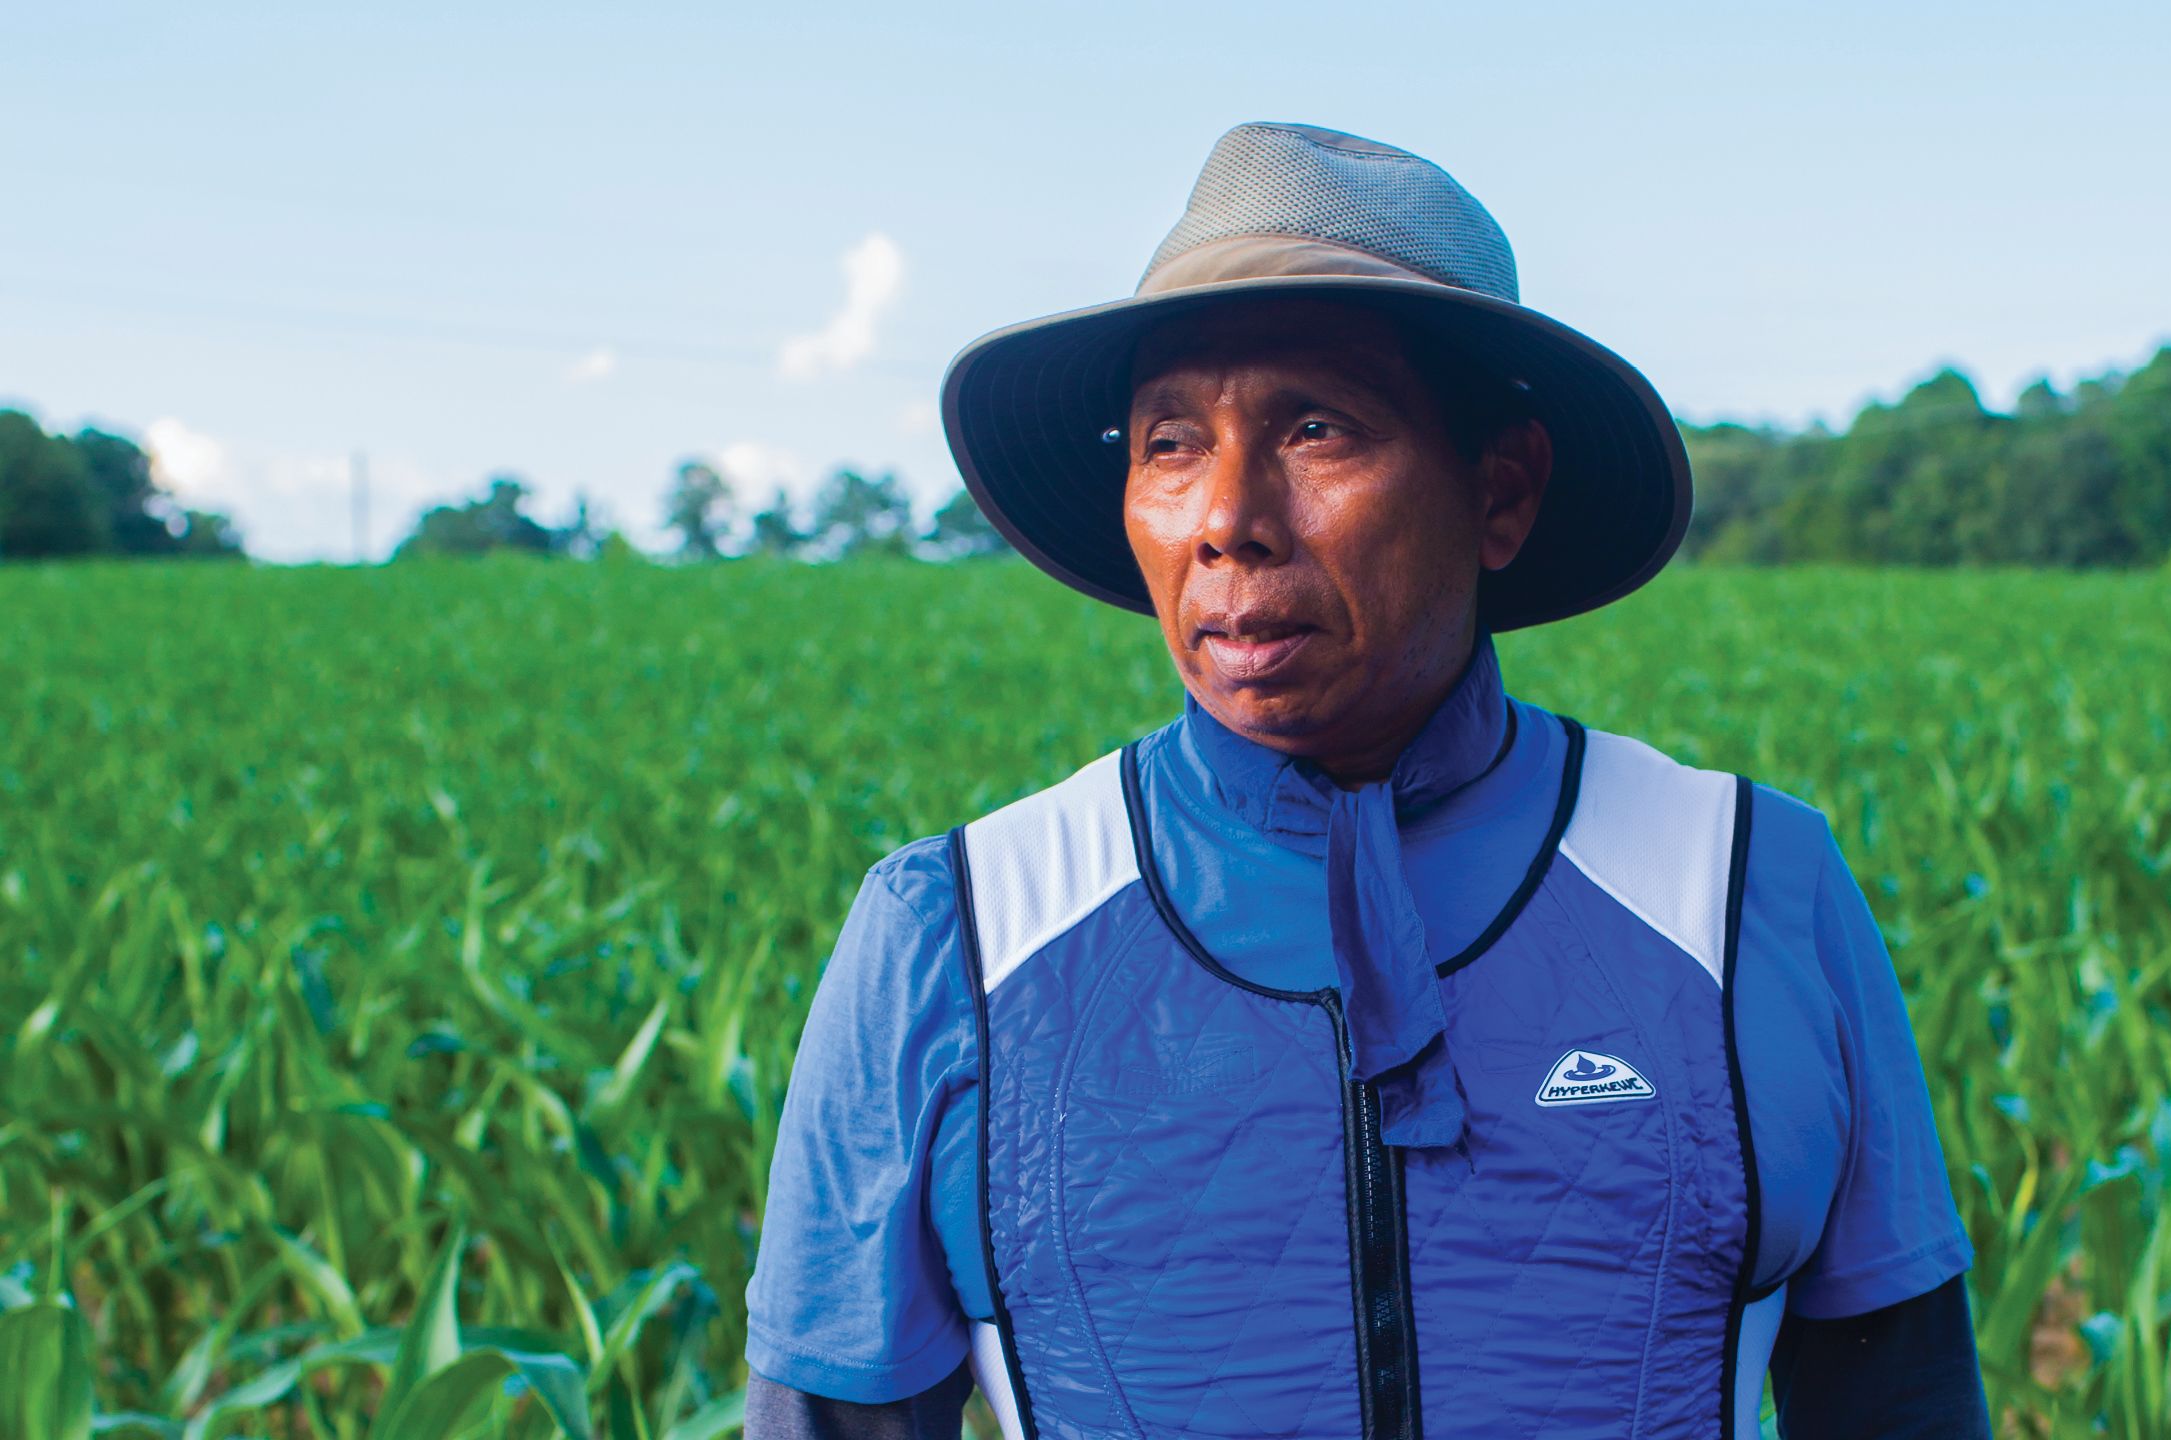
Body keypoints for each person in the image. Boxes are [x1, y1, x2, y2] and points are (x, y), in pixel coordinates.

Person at [744, 122, 1991, 1440]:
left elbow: (1901, 1397)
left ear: (1500, 492)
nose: (1227, 516)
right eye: (1171, 441)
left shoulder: (1744, 890)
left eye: (1317, 425)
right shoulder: (959, 933)